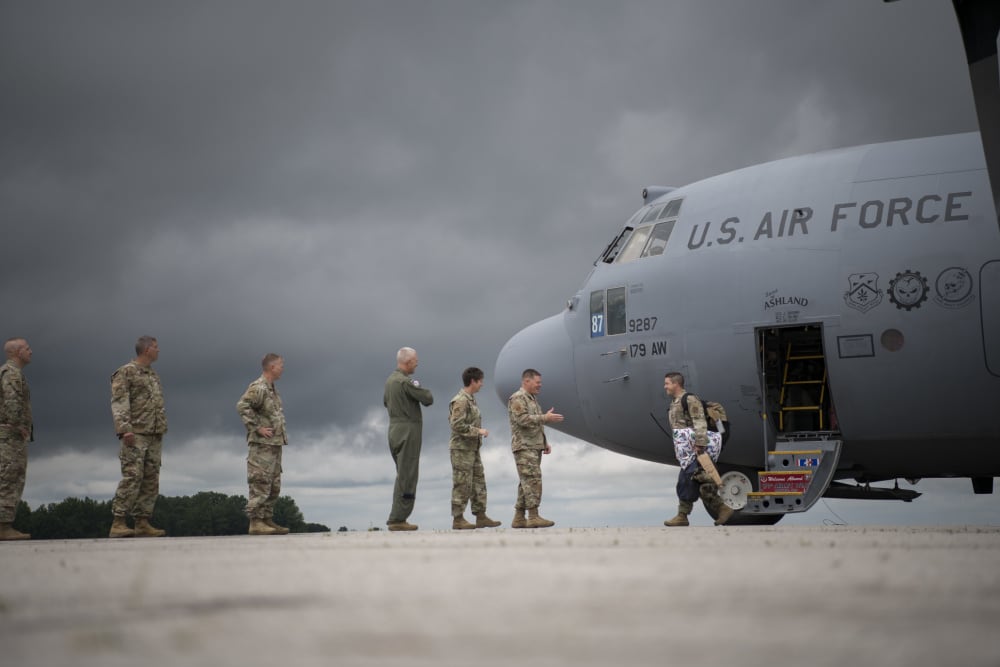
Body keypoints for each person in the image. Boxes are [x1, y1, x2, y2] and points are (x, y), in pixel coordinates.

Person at [109, 336, 168, 538]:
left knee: (151, 479)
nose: (159, 350)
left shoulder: (153, 375)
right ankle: (118, 521)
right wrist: (125, 429)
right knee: (133, 476)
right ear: (146, 350)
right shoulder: (126, 372)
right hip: (136, 433)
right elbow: (119, 401)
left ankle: (142, 521)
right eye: (156, 347)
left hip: (154, 433)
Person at [663, 372, 733, 527]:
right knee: (687, 479)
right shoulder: (675, 402)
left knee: (694, 477)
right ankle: (685, 515)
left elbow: (699, 421)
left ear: (676, 384)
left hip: (696, 448)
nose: (665, 387)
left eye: (667, 383)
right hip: (687, 449)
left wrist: (700, 443)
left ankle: (720, 508)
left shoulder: (689, 399)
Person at [236, 353, 290, 535]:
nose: (283, 368)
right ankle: (256, 522)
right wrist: (257, 427)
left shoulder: (272, 389)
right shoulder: (259, 387)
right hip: (262, 445)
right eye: (281, 365)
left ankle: (266, 519)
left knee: (273, 484)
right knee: (260, 481)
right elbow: (242, 406)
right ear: (272, 367)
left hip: (273, 444)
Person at [383, 347, 433, 531]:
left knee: (402, 473)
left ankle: (398, 517)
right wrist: (417, 386)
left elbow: (385, 402)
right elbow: (428, 398)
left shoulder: (389, 381)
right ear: (408, 361)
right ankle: (398, 518)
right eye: (415, 360)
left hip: (394, 429)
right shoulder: (405, 382)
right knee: (408, 475)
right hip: (408, 430)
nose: (417, 363)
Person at [507, 368, 563, 528]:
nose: (540, 385)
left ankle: (519, 517)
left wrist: (544, 442)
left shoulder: (531, 399)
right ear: (527, 381)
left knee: (526, 482)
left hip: (533, 446)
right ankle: (533, 516)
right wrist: (545, 417)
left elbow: (534, 424)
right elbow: (522, 420)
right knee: (532, 480)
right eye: (537, 382)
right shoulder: (518, 398)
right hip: (524, 447)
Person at [448, 367, 500, 530]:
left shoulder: (470, 399)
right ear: (473, 381)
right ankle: (458, 519)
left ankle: (481, 516)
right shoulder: (461, 400)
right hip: (461, 450)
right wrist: (478, 431)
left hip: (472, 449)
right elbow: (456, 425)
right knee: (462, 483)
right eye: (480, 381)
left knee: (478, 482)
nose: (482, 384)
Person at [0, 338, 33, 540]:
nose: (31, 352)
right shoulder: (11, 373)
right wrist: (18, 425)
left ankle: (5, 525)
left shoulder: (11, 372)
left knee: (10, 477)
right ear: (17, 352)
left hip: (9, 433)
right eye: (27, 348)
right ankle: (3, 527)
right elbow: (11, 400)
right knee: (8, 477)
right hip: (9, 435)